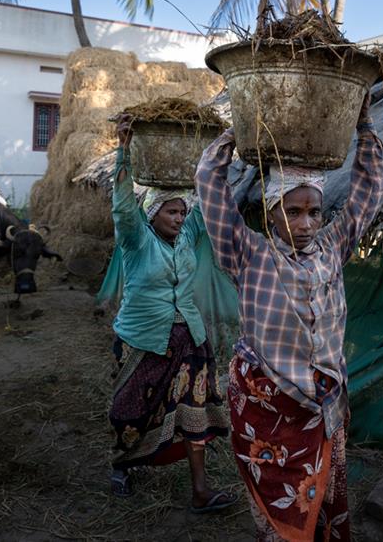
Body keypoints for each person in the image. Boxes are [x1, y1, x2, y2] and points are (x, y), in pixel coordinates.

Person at [195, 94, 383, 541]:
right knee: (281, 517)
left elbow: (368, 193)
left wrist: (364, 127)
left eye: (314, 211)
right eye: (293, 211)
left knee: (320, 502)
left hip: (322, 406)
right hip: (269, 408)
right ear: (271, 213)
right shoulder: (249, 254)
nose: (305, 223)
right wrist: (237, 131)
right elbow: (208, 183)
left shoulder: (334, 248)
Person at [106, 113, 235, 513]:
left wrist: (223, 149)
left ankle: (200, 491)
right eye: (172, 213)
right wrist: (124, 153)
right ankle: (123, 464)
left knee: (194, 413)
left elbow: (207, 200)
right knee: (131, 412)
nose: (180, 219)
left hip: (190, 340)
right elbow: (123, 205)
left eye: (182, 213)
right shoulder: (136, 240)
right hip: (143, 340)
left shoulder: (188, 235)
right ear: (154, 213)